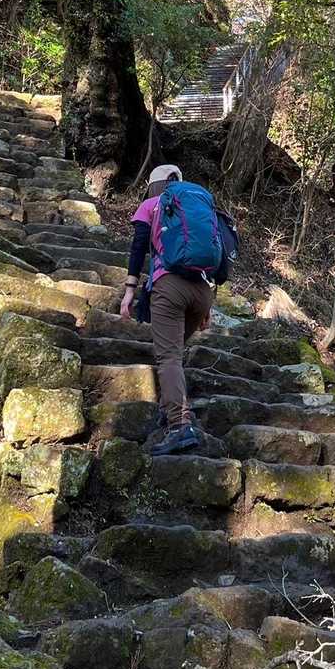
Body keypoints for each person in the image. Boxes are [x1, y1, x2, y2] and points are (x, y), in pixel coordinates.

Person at [120, 163, 215, 456]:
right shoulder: (196, 207)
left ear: (154, 185)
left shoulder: (151, 204)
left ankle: (179, 426)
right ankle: (167, 409)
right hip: (202, 290)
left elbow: (138, 247)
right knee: (174, 351)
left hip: (169, 286)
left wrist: (129, 290)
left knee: (169, 356)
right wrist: (208, 307)